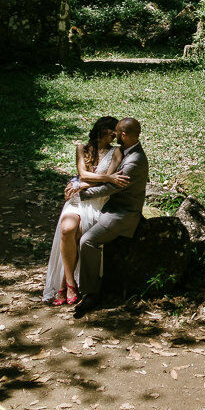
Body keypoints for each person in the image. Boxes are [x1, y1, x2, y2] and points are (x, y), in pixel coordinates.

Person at [65, 117, 148, 318]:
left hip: (123, 214)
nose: (114, 136)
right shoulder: (127, 152)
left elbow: (112, 186)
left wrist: (81, 190)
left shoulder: (135, 160)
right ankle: (70, 282)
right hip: (112, 207)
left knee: (88, 240)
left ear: (124, 135)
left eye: (117, 133)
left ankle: (92, 293)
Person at [42, 116, 129, 306]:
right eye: (111, 131)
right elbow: (88, 174)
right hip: (77, 200)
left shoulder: (116, 153)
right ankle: (70, 282)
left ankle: (65, 286)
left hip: (96, 201)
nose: (114, 135)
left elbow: (108, 179)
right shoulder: (81, 148)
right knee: (67, 229)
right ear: (102, 129)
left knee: (79, 235)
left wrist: (81, 184)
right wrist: (81, 182)